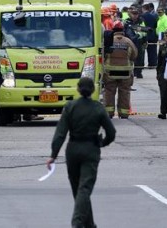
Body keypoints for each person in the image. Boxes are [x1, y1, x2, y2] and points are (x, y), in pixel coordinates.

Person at [46, 77, 116, 228]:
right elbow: (111, 132)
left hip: (73, 149)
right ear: (93, 90)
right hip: (91, 150)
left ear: (78, 89)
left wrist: (53, 155)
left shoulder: (70, 107)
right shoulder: (98, 108)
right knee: (84, 188)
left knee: (78, 189)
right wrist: (102, 143)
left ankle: (89, 224)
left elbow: (60, 133)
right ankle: (77, 223)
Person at [103, 21, 138, 119]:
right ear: (123, 30)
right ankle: (124, 113)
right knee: (125, 92)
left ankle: (109, 113)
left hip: (110, 72)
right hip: (125, 73)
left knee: (109, 91)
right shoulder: (128, 41)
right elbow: (134, 55)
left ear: (113, 30)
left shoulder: (108, 41)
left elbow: (103, 55)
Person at [141, 3, 159, 68]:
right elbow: (155, 26)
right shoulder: (154, 16)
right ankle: (152, 64)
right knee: (152, 51)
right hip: (152, 35)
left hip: (144, 35)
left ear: (144, 9)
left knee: (142, 51)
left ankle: (141, 64)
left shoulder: (141, 16)